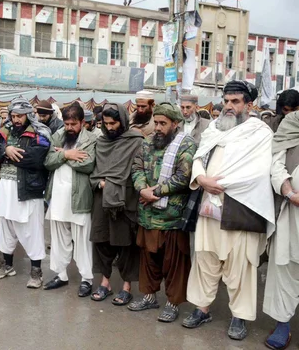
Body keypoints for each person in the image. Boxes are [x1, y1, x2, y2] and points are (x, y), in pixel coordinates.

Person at [183, 81, 275, 341]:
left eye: (235, 102)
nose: (229, 106)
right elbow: (199, 158)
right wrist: (201, 179)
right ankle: (202, 309)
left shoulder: (260, 133)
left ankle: (239, 317)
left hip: (241, 208)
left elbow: (258, 173)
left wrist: (219, 184)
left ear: (249, 104)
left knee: (240, 267)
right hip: (209, 209)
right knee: (204, 259)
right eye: (226, 101)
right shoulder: (214, 128)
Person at [128, 103, 196, 322]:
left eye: (162, 123)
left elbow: (183, 177)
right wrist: (142, 189)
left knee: (174, 264)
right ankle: (149, 297)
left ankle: (172, 303)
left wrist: (154, 191)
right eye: (155, 123)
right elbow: (136, 168)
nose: (157, 127)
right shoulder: (147, 143)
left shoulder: (186, 144)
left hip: (172, 218)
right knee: (148, 260)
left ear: (175, 124)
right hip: (148, 215)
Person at [0, 98, 51, 288]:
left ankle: (36, 272)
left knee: (32, 231)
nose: (16, 120)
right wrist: (6, 150)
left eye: (20, 116)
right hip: (5, 190)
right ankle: (7, 266)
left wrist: (6, 156)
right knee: (6, 227)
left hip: (28, 190)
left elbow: (36, 158)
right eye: (13, 116)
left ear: (29, 115)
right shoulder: (3, 132)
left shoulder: (40, 132)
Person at [88, 103, 143, 305]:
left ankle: (127, 286)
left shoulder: (135, 141)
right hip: (101, 199)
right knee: (102, 242)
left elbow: (139, 170)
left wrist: (112, 184)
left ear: (123, 121)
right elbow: (93, 171)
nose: (109, 127)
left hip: (126, 200)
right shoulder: (101, 142)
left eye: (113, 123)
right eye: (106, 123)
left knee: (126, 244)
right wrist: (99, 182)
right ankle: (105, 283)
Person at [43, 104, 96, 296]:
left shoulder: (92, 138)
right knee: (59, 239)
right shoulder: (58, 135)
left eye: (74, 124)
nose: (70, 128)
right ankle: (61, 275)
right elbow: (47, 162)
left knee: (82, 240)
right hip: (57, 197)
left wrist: (62, 156)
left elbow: (89, 164)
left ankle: (87, 279)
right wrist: (67, 153)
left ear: (83, 123)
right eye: (67, 124)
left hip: (79, 197)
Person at [263, 110, 299, 349]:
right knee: (284, 268)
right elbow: (276, 164)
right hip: (291, 211)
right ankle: (283, 324)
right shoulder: (292, 123)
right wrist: (289, 192)